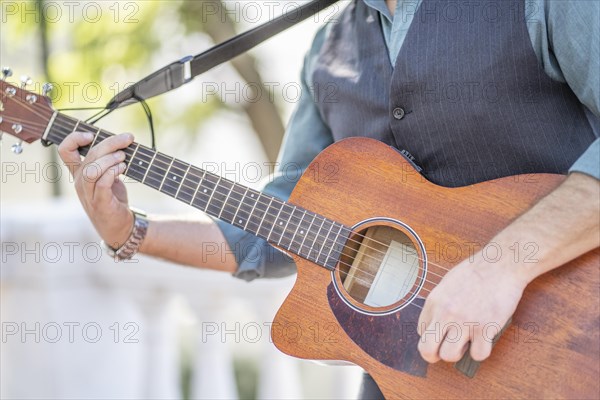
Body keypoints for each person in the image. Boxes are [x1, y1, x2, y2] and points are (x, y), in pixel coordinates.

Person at [58, 0, 599, 398]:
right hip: (401, 382)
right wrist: (128, 230)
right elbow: (273, 234)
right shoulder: (327, 51)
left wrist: (498, 269)